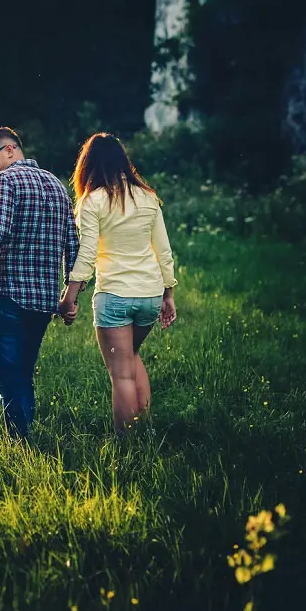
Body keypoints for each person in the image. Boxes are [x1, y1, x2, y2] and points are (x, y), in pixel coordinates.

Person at [0, 127, 80, 440]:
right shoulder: (57, 185)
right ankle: (25, 437)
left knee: (10, 379)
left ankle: (19, 441)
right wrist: (70, 297)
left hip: (8, 298)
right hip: (43, 303)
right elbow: (74, 246)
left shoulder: (5, 180)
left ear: (10, 149)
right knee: (22, 374)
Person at [58, 133, 177, 435]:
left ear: (88, 166)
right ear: (123, 161)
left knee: (121, 374)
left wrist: (69, 297)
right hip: (150, 294)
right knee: (132, 357)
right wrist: (168, 294)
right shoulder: (147, 197)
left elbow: (86, 254)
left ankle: (128, 445)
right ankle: (145, 430)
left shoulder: (92, 201)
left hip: (114, 296)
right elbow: (163, 250)